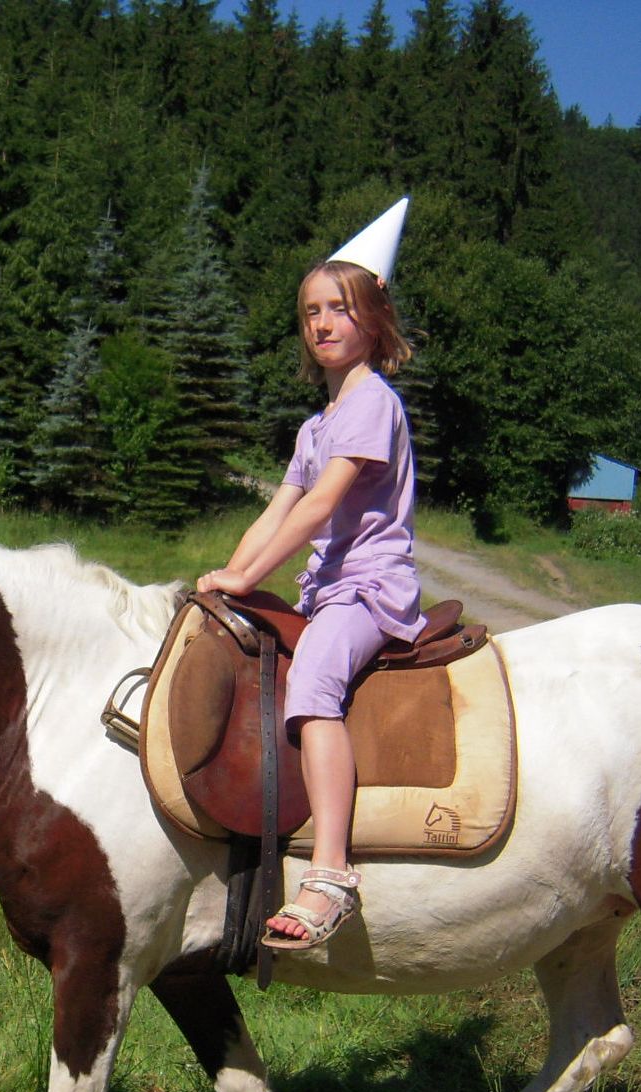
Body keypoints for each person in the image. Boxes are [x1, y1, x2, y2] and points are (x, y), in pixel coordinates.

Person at [197, 200, 422, 950]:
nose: (322, 324)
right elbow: (279, 508)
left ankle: (330, 875)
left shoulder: (371, 403)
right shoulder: (315, 425)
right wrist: (228, 576)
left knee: (314, 681)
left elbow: (321, 505)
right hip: (323, 589)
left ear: (374, 321)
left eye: (339, 309)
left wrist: (248, 575)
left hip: (368, 587)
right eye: (311, 312)